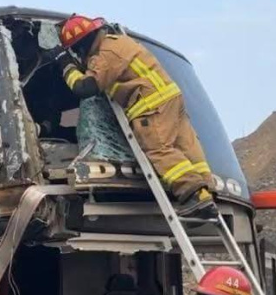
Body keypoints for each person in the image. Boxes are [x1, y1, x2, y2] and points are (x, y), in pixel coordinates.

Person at [57, 14, 216, 218]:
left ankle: (193, 194)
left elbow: (85, 87)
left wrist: (66, 66)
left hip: (150, 106)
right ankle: (206, 191)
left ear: (81, 46)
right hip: (170, 100)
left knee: (158, 149)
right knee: (186, 146)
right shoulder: (121, 42)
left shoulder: (106, 53)